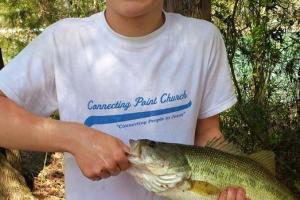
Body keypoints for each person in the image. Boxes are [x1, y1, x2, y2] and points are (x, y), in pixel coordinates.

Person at [0, 0, 249, 199]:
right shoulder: (64, 40)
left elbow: (208, 133)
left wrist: (224, 190)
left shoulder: (203, 39)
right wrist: (73, 138)